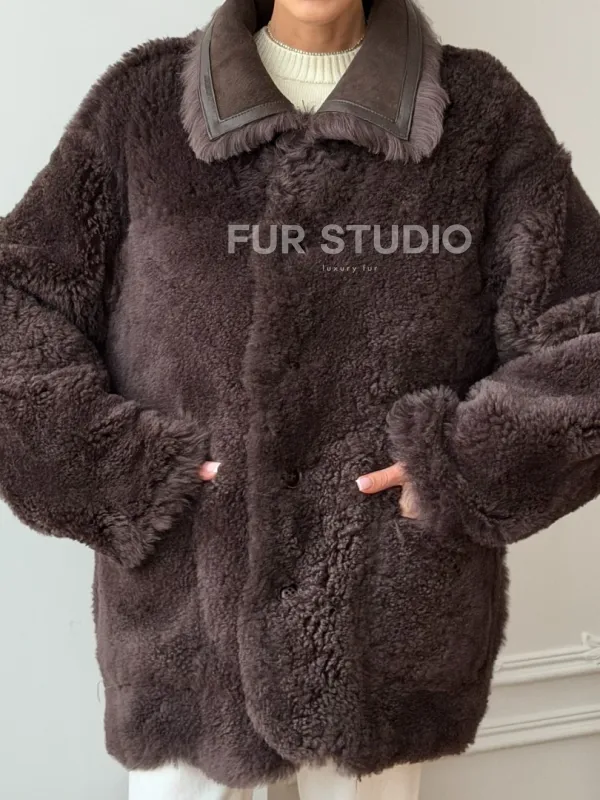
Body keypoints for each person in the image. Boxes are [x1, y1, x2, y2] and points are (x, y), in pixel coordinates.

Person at [2, 0, 600, 797]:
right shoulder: (143, 106)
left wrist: (461, 467)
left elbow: (585, 335)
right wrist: (122, 470)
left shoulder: (481, 115)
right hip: (186, 625)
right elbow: (17, 299)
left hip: (386, 623)